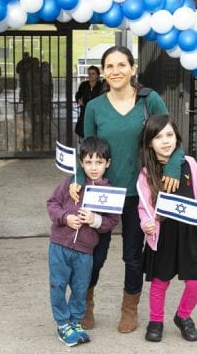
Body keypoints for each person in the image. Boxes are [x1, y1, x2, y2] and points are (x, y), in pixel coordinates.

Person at [69, 45, 185, 333]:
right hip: (103, 193)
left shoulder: (149, 100)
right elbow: (86, 150)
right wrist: (78, 179)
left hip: (138, 194)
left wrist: (172, 166)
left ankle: (129, 309)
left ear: (133, 69)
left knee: (132, 256)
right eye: (109, 66)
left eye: (122, 65)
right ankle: (85, 304)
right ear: (103, 72)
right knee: (94, 254)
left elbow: (171, 138)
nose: (116, 71)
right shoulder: (94, 107)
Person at [137, 114, 197, 343]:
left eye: (169, 135)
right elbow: (143, 206)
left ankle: (183, 316)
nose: (165, 141)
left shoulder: (189, 164)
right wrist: (146, 223)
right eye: (158, 137)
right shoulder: (147, 173)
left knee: (196, 282)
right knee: (160, 282)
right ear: (149, 143)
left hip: (190, 234)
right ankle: (156, 320)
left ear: (177, 137)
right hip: (164, 235)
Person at [46, 136, 120, 347]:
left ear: (108, 163)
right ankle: (63, 324)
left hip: (85, 251)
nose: (94, 167)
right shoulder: (71, 184)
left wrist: (94, 220)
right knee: (58, 285)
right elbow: (52, 203)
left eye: (99, 162)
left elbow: (112, 221)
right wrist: (65, 218)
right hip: (60, 246)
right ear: (81, 163)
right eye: (88, 162)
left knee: (80, 288)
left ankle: (75, 322)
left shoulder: (110, 193)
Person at [74, 65, 103, 139]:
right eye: (89, 73)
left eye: (93, 73)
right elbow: (78, 94)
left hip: (97, 112)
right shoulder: (83, 85)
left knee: (95, 132)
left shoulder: (101, 86)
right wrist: (78, 100)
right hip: (84, 110)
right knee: (83, 131)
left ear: (98, 75)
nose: (91, 75)